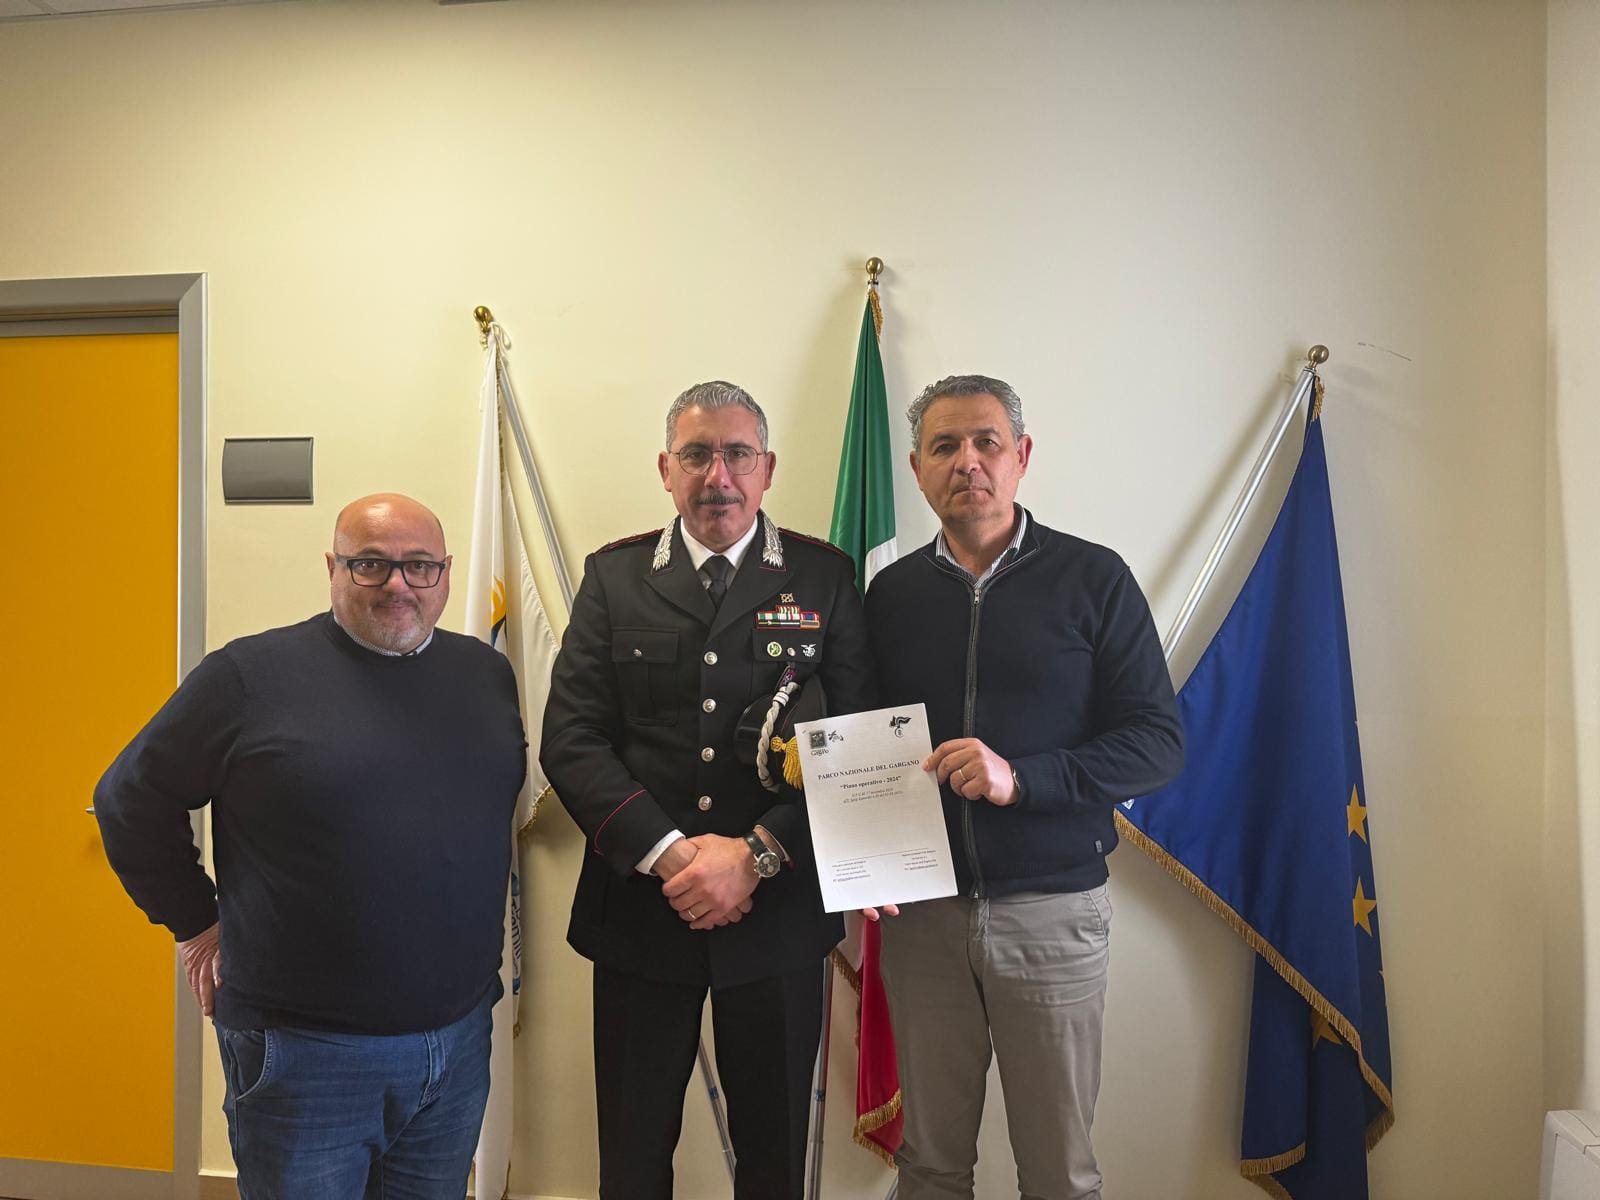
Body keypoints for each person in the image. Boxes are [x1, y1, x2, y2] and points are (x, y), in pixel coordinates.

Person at [94, 493, 528, 1200]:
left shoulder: (484, 673)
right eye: (370, 564)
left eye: (420, 565)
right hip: (305, 1055)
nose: (398, 584)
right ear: (333, 567)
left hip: (456, 1045)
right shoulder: (248, 677)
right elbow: (128, 798)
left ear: (446, 573)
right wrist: (196, 925)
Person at [541, 380, 871, 1199]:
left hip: (778, 911)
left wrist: (757, 855)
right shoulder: (615, 577)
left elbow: (858, 746)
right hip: (643, 910)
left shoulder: (824, 578)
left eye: (737, 454)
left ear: (767, 469)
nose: (716, 475)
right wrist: (669, 854)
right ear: (666, 469)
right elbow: (572, 739)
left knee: (774, 1159)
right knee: (632, 1156)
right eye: (696, 455)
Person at [865, 376, 1184, 1200]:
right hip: (922, 922)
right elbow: (862, 741)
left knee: (1059, 1174)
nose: (966, 461)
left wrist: (1024, 779)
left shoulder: (1094, 578)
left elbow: (1157, 742)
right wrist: (860, 853)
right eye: (944, 446)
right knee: (930, 1167)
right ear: (916, 468)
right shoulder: (890, 596)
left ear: (1022, 456)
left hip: (1052, 917)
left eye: (987, 442)